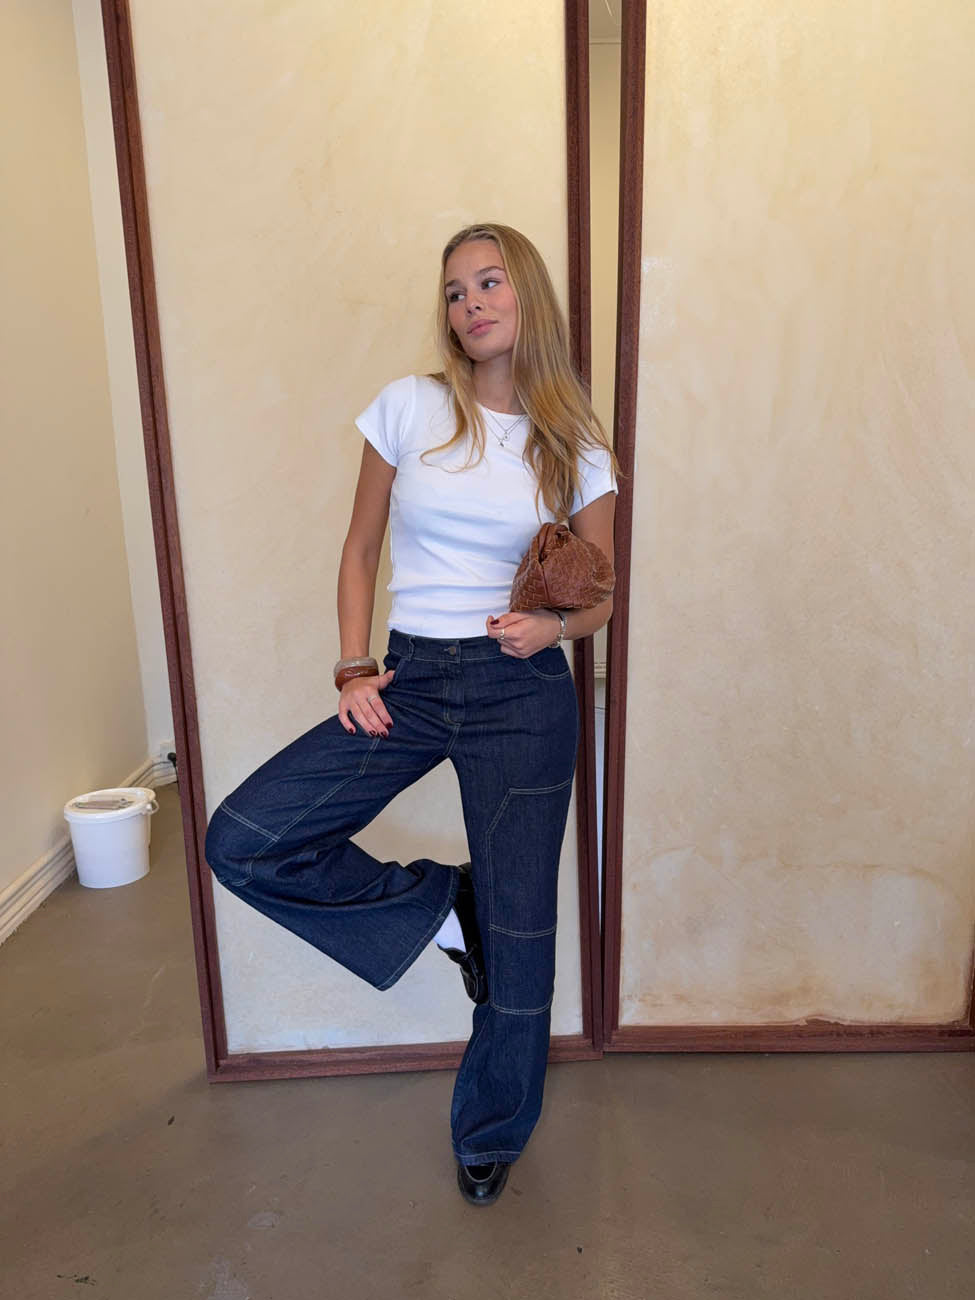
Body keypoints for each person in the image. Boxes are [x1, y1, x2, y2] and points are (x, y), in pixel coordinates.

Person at [204, 222, 618, 1206]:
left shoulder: (576, 440)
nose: (470, 304)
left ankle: (491, 1127)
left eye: (489, 283)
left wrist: (554, 630)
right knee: (245, 840)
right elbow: (359, 550)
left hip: (522, 693)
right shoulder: (408, 406)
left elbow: (602, 594)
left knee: (522, 932)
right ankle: (444, 907)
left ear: (527, 296)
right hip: (415, 678)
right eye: (454, 291)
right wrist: (355, 668)